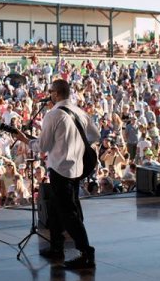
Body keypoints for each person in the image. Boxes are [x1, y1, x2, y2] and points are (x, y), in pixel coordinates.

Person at [15, 79, 99, 270]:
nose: (49, 95)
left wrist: (26, 140)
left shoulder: (53, 115)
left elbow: (43, 146)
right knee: (54, 207)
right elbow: (95, 136)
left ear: (55, 94)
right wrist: (76, 146)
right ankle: (56, 247)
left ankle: (86, 252)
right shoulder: (80, 112)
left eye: (50, 92)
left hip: (61, 169)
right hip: (76, 167)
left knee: (68, 212)